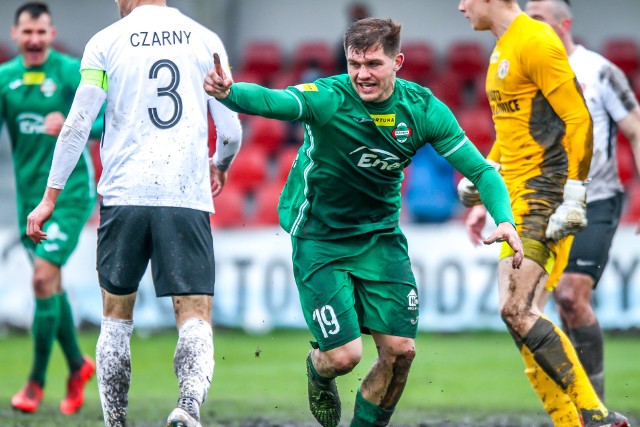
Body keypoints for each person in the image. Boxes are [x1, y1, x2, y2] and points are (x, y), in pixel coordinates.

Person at [205, 17, 523, 427]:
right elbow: (276, 101)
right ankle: (318, 369)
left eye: (373, 63)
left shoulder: (422, 109)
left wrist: (506, 220)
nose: (361, 74)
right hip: (320, 236)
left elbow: (482, 171)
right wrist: (231, 93)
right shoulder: (330, 97)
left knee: (401, 352)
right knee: (344, 356)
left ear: (398, 62)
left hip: (380, 237)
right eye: (354, 63)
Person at [25, 1, 242, 426]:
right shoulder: (205, 39)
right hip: (184, 195)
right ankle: (188, 408)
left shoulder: (105, 42)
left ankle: (116, 423)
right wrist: (220, 163)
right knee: (194, 314)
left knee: (116, 317)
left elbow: (77, 124)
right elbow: (231, 130)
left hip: (124, 195)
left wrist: (50, 198)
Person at [456, 0, 629, 426]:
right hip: (514, 200)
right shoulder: (503, 46)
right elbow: (512, 131)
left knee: (517, 309)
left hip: (542, 195)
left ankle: (595, 416)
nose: (461, 6)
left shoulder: (535, 40)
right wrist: (485, 178)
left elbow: (579, 119)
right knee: (520, 320)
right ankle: (572, 421)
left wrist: (574, 193)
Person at [525, 0, 640, 403]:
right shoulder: (529, 71)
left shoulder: (601, 71)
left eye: (537, 18)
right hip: (547, 201)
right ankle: (579, 401)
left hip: (598, 198)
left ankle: (596, 405)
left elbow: (635, 129)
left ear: (564, 23)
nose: (529, 25)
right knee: (550, 306)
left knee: (572, 294)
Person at [0, 1, 103, 415]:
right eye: (27, 32)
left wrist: (76, 126)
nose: (35, 39)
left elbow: (103, 119)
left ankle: (35, 382)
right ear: (15, 36)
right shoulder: (5, 79)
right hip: (30, 200)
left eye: (42, 32)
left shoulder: (69, 72)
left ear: (52, 34)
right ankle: (78, 365)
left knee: (43, 279)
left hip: (71, 194)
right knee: (51, 284)